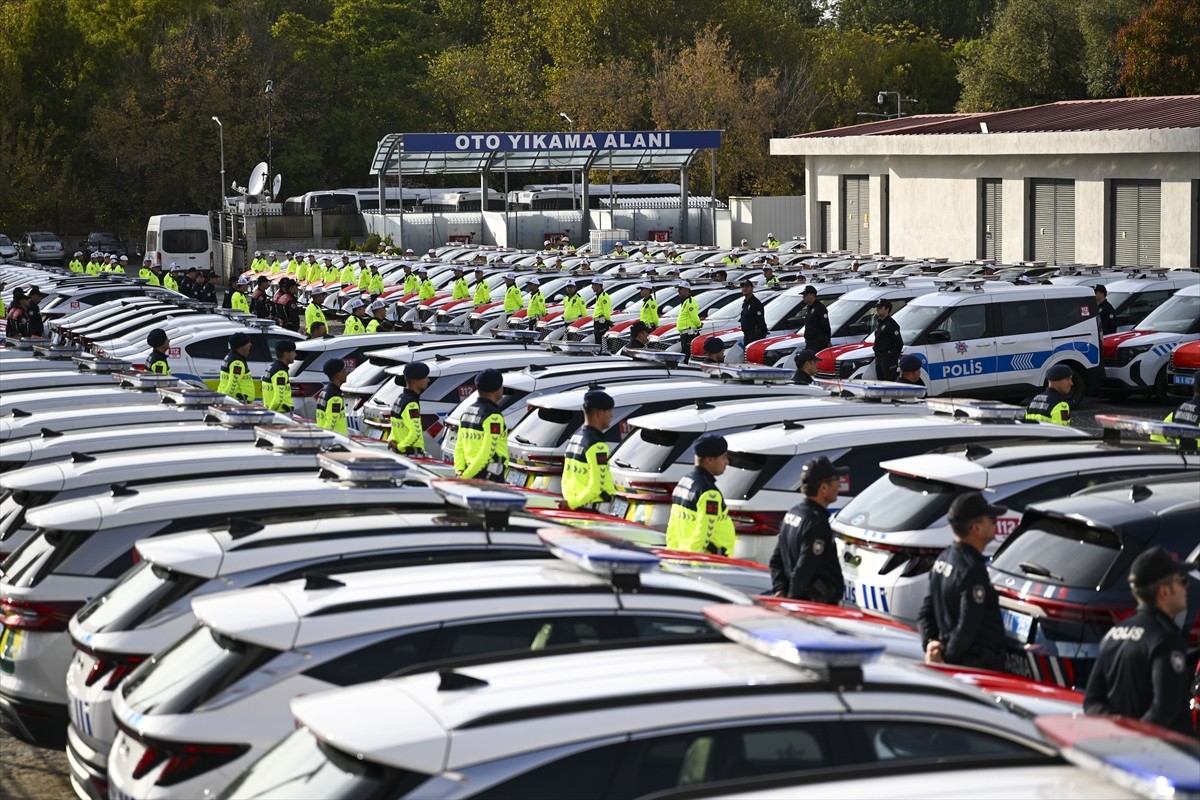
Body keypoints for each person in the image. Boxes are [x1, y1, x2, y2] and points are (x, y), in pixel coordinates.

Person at [1084, 546, 1193, 735]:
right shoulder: (1166, 639)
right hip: (1160, 749)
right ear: (1164, 592)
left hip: (1122, 747)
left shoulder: (1113, 635)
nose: (1186, 587)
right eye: (1182, 581)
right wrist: (1133, 738)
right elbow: (1164, 710)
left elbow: (1092, 702)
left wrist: (1119, 731)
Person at [917, 492, 1007, 671]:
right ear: (976, 528)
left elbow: (925, 613)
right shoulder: (972, 569)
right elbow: (968, 625)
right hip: (973, 666)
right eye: (992, 520)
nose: (995, 524)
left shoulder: (944, 558)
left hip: (956, 660)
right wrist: (945, 658)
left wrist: (930, 643)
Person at [769, 456, 848, 604]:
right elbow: (803, 570)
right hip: (814, 606)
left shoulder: (792, 513)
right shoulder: (816, 523)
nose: (839, 484)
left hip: (801, 603)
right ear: (823, 488)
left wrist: (779, 590)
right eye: (836, 480)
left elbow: (776, 561)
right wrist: (792, 604)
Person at [666, 433, 736, 556]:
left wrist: (672, 553)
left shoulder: (684, 482)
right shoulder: (709, 493)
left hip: (681, 555)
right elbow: (704, 532)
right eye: (724, 457)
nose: (727, 462)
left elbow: (672, 526)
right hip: (708, 560)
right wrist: (696, 559)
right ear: (710, 460)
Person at [561, 390, 617, 510]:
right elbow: (596, 487)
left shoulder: (575, 438)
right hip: (592, 509)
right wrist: (572, 504)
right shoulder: (597, 445)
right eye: (609, 411)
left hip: (576, 505)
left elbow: (566, 478)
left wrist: (570, 502)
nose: (612, 415)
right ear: (600, 413)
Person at [454, 368, 508, 482]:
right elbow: (487, 453)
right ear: (497, 389)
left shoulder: (467, 411)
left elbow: (459, 447)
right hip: (488, 477)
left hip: (469, 472)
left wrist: (460, 471)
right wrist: (465, 477)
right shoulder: (493, 416)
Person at [388, 361, 432, 455]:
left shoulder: (400, 398)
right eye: (425, 377)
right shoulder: (411, 404)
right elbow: (416, 433)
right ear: (415, 380)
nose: (428, 380)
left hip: (400, 453)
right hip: (411, 454)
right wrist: (400, 447)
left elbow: (395, 428)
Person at [217, 332, 255, 403]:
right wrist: (223, 401)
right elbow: (232, 386)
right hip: (238, 402)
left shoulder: (230, 357)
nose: (250, 344)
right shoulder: (237, 363)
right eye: (247, 342)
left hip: (233, 400)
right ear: (241, 346)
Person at [872, 298, 903, 381]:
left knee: (889, 381)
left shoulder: (891, 324)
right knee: (880, 382)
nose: (877, 309)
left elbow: (899, 343)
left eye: (880, 307)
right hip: (879, 357)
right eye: (877, 307)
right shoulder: (880, 323)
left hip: (887, 358)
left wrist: (891, 356)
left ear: (887, 309)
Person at [261, 340, 297, 413]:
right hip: (280, 413)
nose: (295, 355)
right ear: (286, 354)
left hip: (273, 410)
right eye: (293, 352)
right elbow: (278, 399)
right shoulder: (280, 372)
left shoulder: (271, 368)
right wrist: (270, 413)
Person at [315, 358, 348, 434]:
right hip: (335, 437)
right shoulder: (335, 398)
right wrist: (326, 437)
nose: (346, 373)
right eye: (344, 370)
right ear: (337, 375)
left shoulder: (324, 392)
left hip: (322, 433)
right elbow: (332, 422)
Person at [676, 282, 702, 364]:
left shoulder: (690, 302)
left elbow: (694, 317)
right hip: (685, 334)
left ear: (687, 289)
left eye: (680, 289)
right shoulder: (685, 302)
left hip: (689, 334)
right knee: (685, 355)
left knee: (687, 357)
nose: (678, 291)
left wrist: (699, 325)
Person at [801, 285, 831, 352]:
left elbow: (825, 326)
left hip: (818, 343)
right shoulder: (809, 307)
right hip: (810, 342)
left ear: (812, 295)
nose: (803, 297)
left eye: (805, 295)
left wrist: (827, 341)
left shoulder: (820, 308)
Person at [739, 280, 768, 345]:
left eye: (747, 286)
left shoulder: (755, 303)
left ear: (752, 288)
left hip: (754, 336)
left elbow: (760, 320)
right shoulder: (745, 302)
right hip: (747, 335)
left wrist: (763, 333)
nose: (744, 288)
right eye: (743, 287)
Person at [590, 276, 612, 344]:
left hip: (602, 322)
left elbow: (606, 311)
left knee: (601, 342)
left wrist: (607, 321)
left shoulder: (604, 296)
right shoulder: (599, 296)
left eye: (593, 285)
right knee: (598, 342)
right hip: (598, 322)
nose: (592, 287)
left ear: (598, 285)